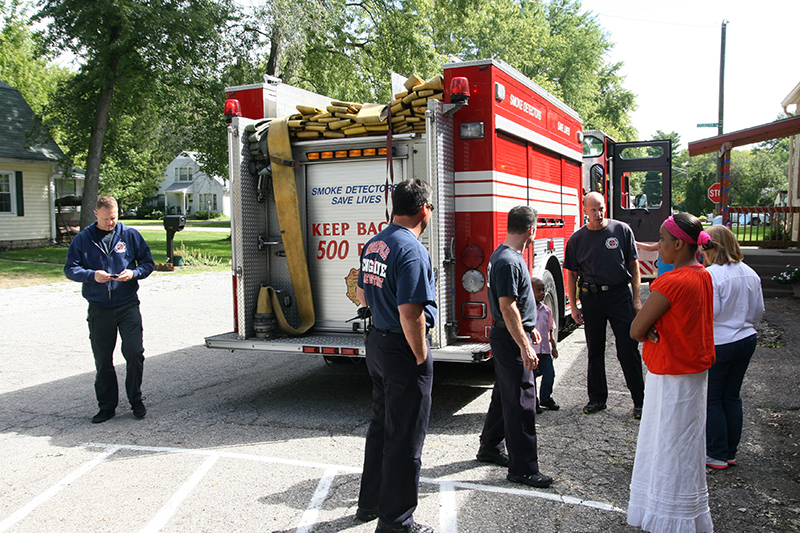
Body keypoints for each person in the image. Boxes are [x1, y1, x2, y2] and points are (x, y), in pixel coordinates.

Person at [355, 179, 437, 533]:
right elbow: (411, 312)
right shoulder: (412, 250)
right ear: (424, 210)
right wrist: (420, 356)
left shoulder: (375, 243)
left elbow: (360, 295)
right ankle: (397, 521)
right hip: (402, 350)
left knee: (381, 428)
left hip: (377, 344)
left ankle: (370, 504)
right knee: (405, 439)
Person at [627, 213, 715, 533]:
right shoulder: (703, 275)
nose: (659, 245)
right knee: (685, 443)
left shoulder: (670, 281)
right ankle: (681, 511)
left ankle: (666, 513)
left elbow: (636, 329)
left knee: (664, 443)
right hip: (693, 371)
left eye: (663, 239)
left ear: (678, 244)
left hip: (670, 371)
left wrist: (650, 328)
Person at [475, 206, 553, 489]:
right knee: (522, 402)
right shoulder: (509, 261)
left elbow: (515, 306)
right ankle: (523, 469)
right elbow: (508, 308)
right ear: (531, 230)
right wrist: (524, 345)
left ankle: (490, 447)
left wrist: (528, 329)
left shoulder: (503, 254)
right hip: (509, 340)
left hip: (510, 336)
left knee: (504, 393)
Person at [64, 196, 154, 423]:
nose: (110, 222)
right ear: (96, 214)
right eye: (106, 219)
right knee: (103, 360)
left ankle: (136, 400)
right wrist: (92, 275)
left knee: (134, 352)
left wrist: (133, 273)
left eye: (113, 218)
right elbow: (70, 269)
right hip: (99, 308)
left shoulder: (130, 235)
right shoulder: (83, 239)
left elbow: (147, 263)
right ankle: (106, 406)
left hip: (127, 305)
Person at [565, 192, 645, 418]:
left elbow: (634, 266)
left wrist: (637, 299)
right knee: (595, 350)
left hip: (619, 296)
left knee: (627, 349)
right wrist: (573, 306)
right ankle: (597, 399)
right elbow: (571, 274)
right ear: (584, 211)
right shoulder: (577, 239)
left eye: (601, 208)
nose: (598, 214)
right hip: (592, 299)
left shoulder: (621, 230)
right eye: (593, 210)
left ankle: (640, 401)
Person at [702, 225, 764, 469]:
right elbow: (759, 311)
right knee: (732, 396)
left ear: (712, 247)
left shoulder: (712, 275)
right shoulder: (751, 273)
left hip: (721, 341)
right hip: (746, 338)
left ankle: (716, 453)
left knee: (713, 398)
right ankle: (730, 451)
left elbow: (712, 313)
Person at [532, 277, 559, 413]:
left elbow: (550, 330)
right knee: (531, 378)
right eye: (538, 290)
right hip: (532, 351)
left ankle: (546, 398)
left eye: (543, 290)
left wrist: (553, 347)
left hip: (545, 351)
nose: (542, 293)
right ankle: (533, 402)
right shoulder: (526, 310)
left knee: (549, 374)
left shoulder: (547, 310)